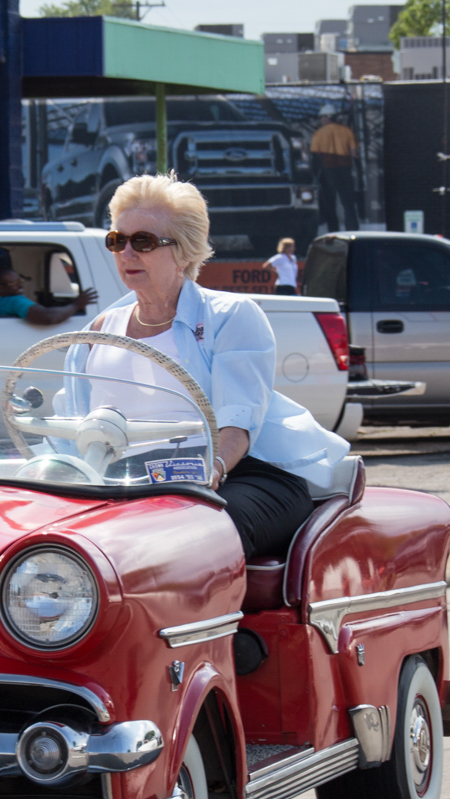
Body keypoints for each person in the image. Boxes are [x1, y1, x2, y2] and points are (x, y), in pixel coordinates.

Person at [75, 173, 350, 558]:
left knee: (202, 531)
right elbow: (73, 425)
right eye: (118, 241)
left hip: (241, 473)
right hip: (130, 477)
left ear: (185, 251)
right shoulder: (99, 330)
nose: (127, 253)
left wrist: (210, 471)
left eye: (144, 241)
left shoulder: (231, 315)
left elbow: (237, 422)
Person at [0, 267, 97, 325]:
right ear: (0, 288)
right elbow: (50, 317)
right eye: (13, 283)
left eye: (20, 281)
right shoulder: (15, 301)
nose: (20, 285)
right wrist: (76, 305)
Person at [309, 107, 359, 233]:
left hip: (327, 171)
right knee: (348, 204)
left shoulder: (318, 134)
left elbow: (315, 157)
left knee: (330, 205)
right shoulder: (347, 131)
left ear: (327, 117)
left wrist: (314, 175)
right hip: (345, 169)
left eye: (322, 117)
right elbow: (354, 154)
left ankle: (333, 232)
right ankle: (352, 231)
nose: (321, 120)